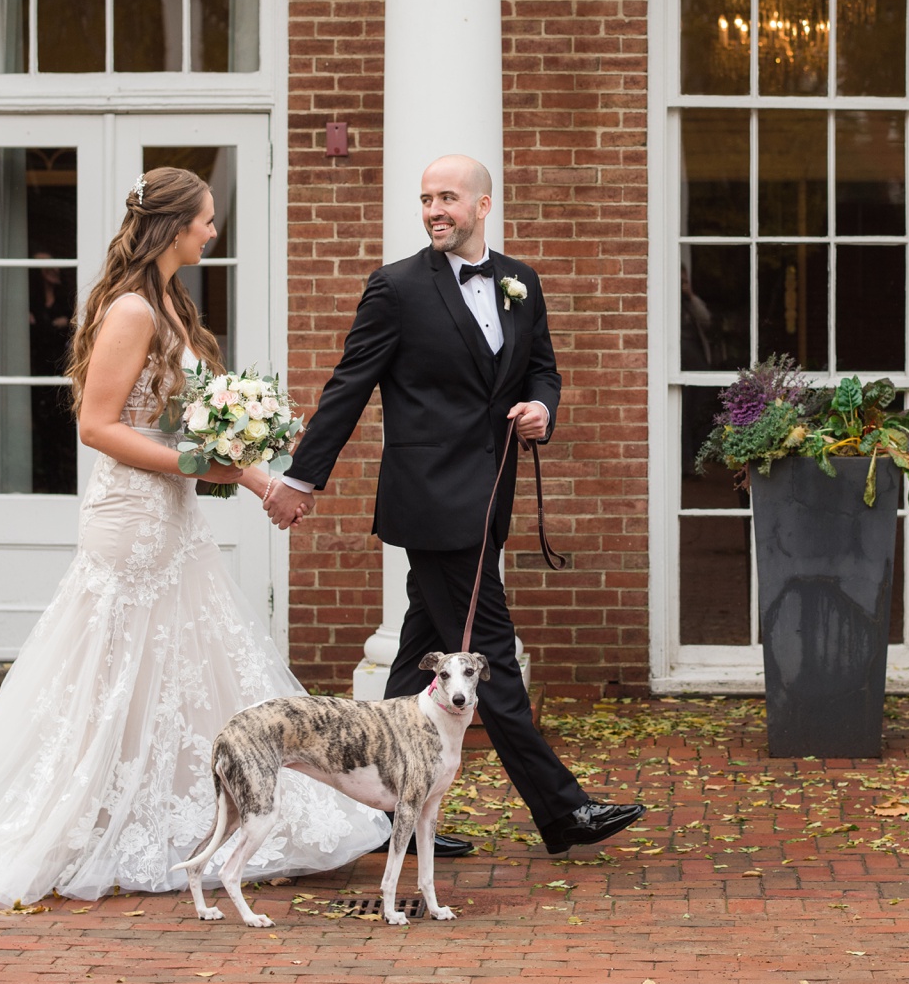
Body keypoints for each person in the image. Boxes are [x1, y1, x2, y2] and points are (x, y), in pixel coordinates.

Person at [0, 168, 390, 906]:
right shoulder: (133, 309)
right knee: (111, 672)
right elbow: (98, 426)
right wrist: (202, 462)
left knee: (182, 664)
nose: (214, 231)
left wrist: (246, 467)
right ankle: (88, 813)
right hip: (130, 519)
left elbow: (180, 423)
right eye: (207, 220)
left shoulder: (171, 303)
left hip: (171, 512)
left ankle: (182, 805)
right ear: (175, 227)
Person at [267, 154, 643, 856]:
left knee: (418, 659)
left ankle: (381, 820)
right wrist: (301, 478)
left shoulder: (520, 281)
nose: (434, 209)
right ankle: (563, 810)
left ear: (483, 204)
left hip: (491, 496)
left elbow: (542, 368)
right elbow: (349, 385)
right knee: (486, 654)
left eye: (447, 197)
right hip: (433, 504)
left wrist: (541, 407)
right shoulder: (397, 288)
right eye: (426, 198)